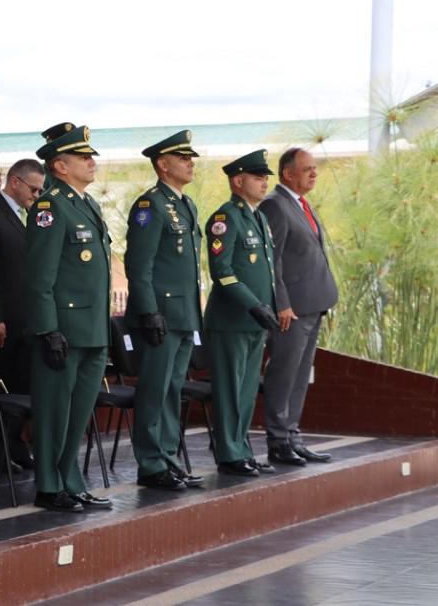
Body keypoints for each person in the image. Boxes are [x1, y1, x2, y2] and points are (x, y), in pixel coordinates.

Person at [25, 123, 113, 512]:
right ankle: (48, 484)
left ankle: (70, 479)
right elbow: (39, 277)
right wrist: (47, 328)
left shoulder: (87, 204)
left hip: (92, 327)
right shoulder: (50, 207)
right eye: (83, 156)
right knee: (55, 410)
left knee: (78, 413)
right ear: (59, 165)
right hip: (63, 327)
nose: (91, 162)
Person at [124, 130, 204, 491]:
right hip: (160, 315)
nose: (190, 163)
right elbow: (139, 266)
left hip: (184, 313)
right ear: (163, 164)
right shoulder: (149, 206)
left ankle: (168, 457)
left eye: (190, 158)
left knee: (173, 388)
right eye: (183, 158)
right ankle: (151, 463)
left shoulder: (186, 205)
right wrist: (148, 311)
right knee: (155, 390)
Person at [258, 148, 338, 466]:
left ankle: (292, 435)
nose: (313, 173)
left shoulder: (301, 204)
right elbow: (271, 261)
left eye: (315, 168)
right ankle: (278, 440)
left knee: (301, 374)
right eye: (307, 169)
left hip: (313, 305)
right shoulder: (275, 205)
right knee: (283, 373)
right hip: (291, 310)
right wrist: (282, 303)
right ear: (287, 173)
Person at [204, 150, 280, 477]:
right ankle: (229, 452)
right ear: (238, 181)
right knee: (229, 391)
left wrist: (269, 308)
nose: (264, 183)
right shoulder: (226, 217)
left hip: (255, 321)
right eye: (258, 177)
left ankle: (241, 448)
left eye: (265, 178)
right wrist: (252, 304)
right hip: (232, 320)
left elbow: (268, 273)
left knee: (247, 391)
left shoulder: (258, 218)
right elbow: (222, 271)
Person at [0, 157, 44, 474]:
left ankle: (15, 446)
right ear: (14, 182)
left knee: (22, 388)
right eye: (33, 188)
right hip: (4, 321)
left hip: (27, 320)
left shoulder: (28, 216)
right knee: (1, 392)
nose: (37, 195)